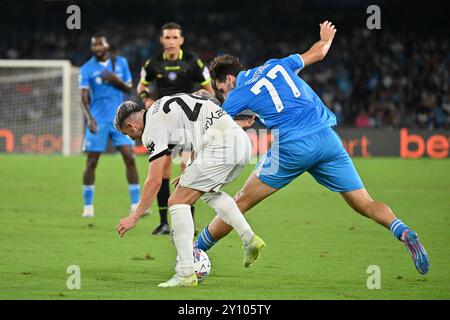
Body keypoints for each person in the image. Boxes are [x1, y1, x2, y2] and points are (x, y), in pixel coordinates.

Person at [195, 21, 430, 275]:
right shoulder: (277, 64)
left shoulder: (239, 93)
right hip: (327, 139)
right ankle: (402, 230)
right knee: (365, 204)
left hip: (292, 146)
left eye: (221, 90)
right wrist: (326, 37)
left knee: (239, 201)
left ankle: (195, 250)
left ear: (229, 79)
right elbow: (319, 52)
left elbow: (215, 123)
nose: (224, 95)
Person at [114, 94, 265, 287]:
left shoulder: (151, 128)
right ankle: (249, 239)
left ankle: (185, 272)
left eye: (127, 134)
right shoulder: (164, 102)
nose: (131, 137)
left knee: (177, 201)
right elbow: (200, 122)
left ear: (130, 126)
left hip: (221, 146)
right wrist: (190, 172)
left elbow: (154, 181)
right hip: (240, 142)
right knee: (208, 193)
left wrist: (135, 216)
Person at [137, 22, 215, 235]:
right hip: (163, 123)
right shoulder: (152, 63)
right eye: (167, 38)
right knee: (163, 171)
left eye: (174, 38)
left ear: (181, 40)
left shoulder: (193, 62)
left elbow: (209, 90)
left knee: (186, 169)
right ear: (162, 40)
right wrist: (147, 100)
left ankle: (188, 222)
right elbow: (141, 87)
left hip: (186, 124)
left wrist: (202, 97)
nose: (170, 42)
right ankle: (163, 223)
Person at [79, 33, 140, 218]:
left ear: (107, 46)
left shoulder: (120, 63)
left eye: (100, 44)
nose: (97, 48)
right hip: (98, 119)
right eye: (94, 45)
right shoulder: (87, 69)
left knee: (129, 158)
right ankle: (88, 206)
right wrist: (89, 119)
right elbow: (83, 97)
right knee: (92, 161)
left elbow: (129, 88)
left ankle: (135, 205)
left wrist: (114, 79)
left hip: (121, 119)